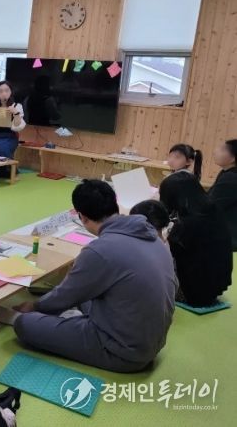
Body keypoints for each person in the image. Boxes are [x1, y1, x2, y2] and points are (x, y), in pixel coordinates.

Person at [13, 180, 176, 373]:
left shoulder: (100, 250)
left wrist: (34, 307)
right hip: (150, 341)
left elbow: (66, 295)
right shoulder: (153, 238)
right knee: (84, 293)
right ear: (115, 205)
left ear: (82, 217)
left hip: (122, 352)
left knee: (24, 324)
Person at [161, 172, 233, 307]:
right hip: (217, 285)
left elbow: (168, 253)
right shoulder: (213, 210)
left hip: (193, 292)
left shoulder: (187, 224)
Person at [209, 139, 237, 251]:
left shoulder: (231, 177)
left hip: (229, 239)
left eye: (222, 150)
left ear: (233, 158)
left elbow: (211, 205)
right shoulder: (226, 173)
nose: (215, 151)